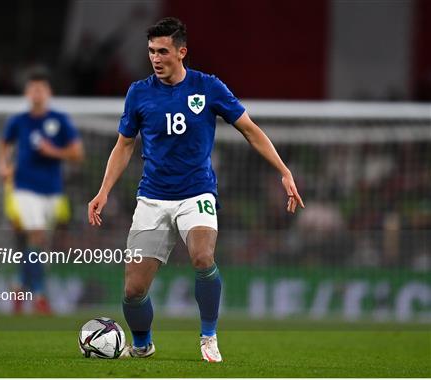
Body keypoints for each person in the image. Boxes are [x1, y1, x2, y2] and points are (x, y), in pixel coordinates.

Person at [87, 17, 304, 362]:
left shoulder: (208, 88)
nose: (155, 59)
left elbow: (250, 130)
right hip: (152, 199)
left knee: (203, 257)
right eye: (151, 52)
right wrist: (104, 191)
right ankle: (142, 344)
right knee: (133, 290)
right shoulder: (139, 93)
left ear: (181, 52)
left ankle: (208, 336)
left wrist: (284, 171)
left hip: (197, 193)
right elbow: (124, 146)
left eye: (162, 51)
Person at [0, 69, 84, 314]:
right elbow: (3, 143)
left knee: (40, 245)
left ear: (48, 93)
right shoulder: (18, 121)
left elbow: (78, 154)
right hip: (24, 188)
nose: (36, 93)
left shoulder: (60, 120)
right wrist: (2, 165)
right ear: (27, 93)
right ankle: (39, 294)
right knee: (36, 235)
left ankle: (19, 286)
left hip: (53, 191)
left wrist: (53, 151)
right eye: (32, 89)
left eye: (41, 89)